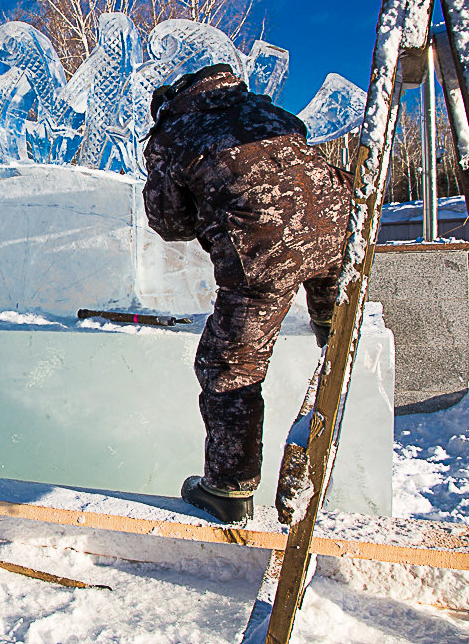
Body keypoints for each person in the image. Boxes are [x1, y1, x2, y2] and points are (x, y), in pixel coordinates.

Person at [141, 63, 351, 524]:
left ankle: (227, 488)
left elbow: (169, 224)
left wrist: (185, 190)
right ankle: (328, 322)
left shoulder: (173, 132)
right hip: (339, 223)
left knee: (229, 364)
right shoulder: (263, 109)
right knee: (335, 323)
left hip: (262, 250)